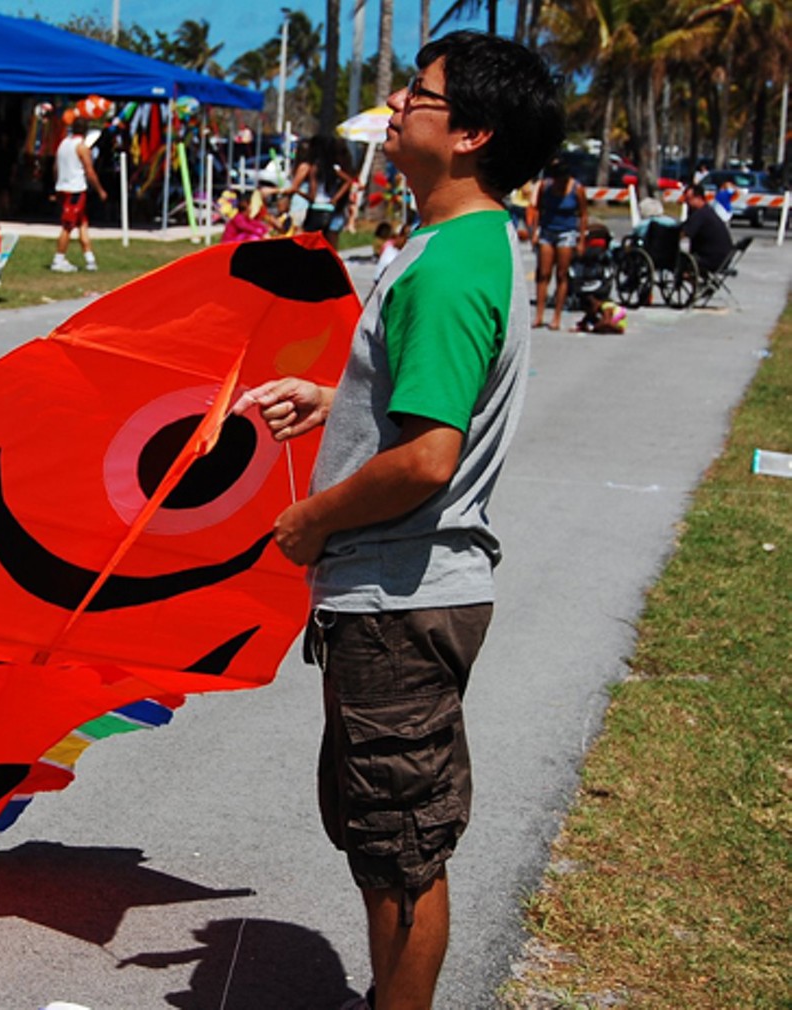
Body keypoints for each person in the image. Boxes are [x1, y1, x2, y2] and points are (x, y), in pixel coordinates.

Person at [231, 32, 562, 1010]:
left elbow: (428, 456)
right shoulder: (457, 241)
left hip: (399, 599)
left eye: (420, 94)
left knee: (401, 851)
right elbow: (425, 407)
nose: (399, 103)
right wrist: (337, 401)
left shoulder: (451, 265)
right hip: (393, 594)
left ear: (472, 134)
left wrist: (311, 517)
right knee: (384, 834)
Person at [532, 156, 587, 330]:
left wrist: (581, 240)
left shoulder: (577, 189)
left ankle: (556, 316)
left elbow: (583, 214)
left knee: (562, 274)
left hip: (567, 232)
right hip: (548, 231)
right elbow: (538, 210)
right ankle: (539, 315)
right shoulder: (545, 187)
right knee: (543, 274)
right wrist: (535, 232)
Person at [48, 118, 109, 272]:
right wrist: (100, 190)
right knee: (68, 226)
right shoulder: (81, 147)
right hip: (75, 189)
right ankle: (58, 259)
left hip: (63, 186)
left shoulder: (63, 144)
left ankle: (90, 259)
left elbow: (55, 167)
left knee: (82, 223)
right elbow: (90, 171)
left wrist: (57, 185)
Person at [682, 183, 733, 274]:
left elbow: (685, 233)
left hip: (711, 260)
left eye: (689, 199)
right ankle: (701, 285)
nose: (686, 202)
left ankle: (693, 283)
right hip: (724, 259)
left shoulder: (700, 215)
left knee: (681, 263)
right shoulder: (708, 211)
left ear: (699, 198)